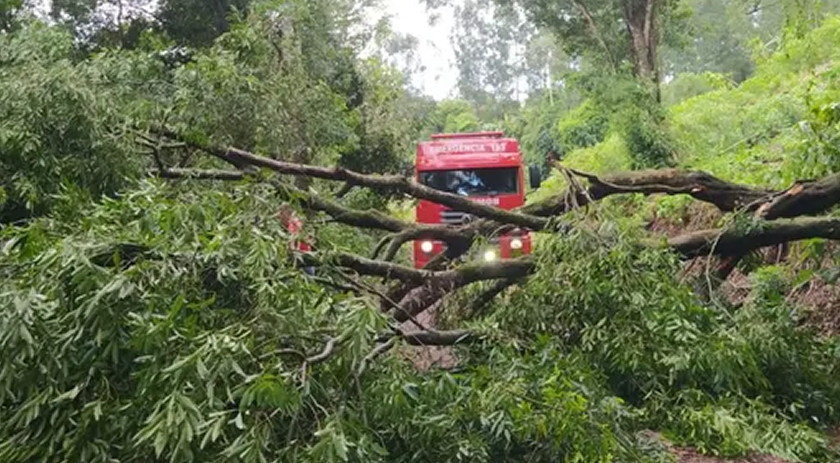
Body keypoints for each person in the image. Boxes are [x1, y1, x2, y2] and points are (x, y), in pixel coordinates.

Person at [277, 204, 315, 276]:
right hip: (307, 253)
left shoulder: (293, 224)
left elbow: (292, 243)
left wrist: (291, 253)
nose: (280, 218)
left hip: (302, 256)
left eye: (281, 215)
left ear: (286, 214)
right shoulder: (298, 221)